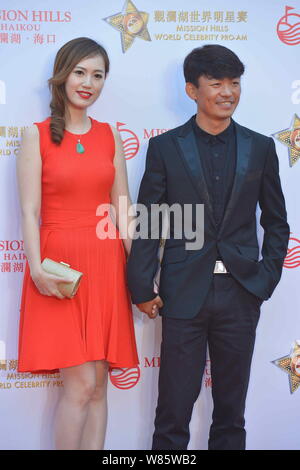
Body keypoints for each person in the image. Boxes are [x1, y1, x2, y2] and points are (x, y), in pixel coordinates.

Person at [127, 44, 289, 450]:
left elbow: (276, 222)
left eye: (234, 83)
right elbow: (149, 221)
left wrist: (264, 279)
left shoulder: (260, 147)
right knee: (173, 412)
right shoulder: (166, 148)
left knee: (232, 413)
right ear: (191, 90)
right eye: (216, 83)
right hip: (184, 293)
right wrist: (142, 286)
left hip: (241, 293)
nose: (227, 92)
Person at [17, 37, 138, 450]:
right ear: (63, 76)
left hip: (106, 265)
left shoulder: (109, 136)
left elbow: (122, 210)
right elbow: (29, 212)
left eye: (98, 74)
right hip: (60, 268)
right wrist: (35, 267)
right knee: (81, 384)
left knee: (100, 385)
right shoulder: (36, 137)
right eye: (80, 72)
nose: (88, 82)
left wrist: (139, 274)